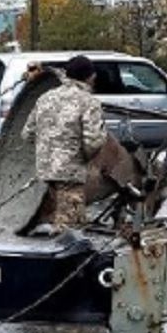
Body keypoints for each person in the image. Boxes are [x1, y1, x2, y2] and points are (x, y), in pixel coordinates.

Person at [22, 55, 107, 232]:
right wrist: (83, 158)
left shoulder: (45, 97)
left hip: (46, 168)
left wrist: (47, 148)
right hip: (70, 170)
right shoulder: (88, 101)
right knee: (70, 228)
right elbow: (94, 141)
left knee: (63, 214)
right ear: (90, 76)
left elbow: (27, 133)